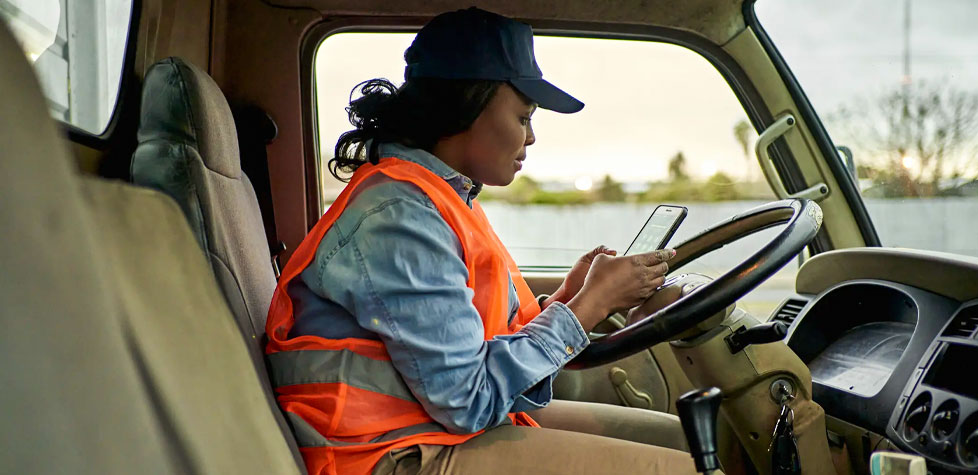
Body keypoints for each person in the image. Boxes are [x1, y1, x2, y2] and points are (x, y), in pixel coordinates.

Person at [264, 7, 699, 475]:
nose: (531, 137)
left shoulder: (442, 198)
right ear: (468, 106)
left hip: (429, 427)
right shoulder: (400, 217)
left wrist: (571, 298)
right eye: (523, 117)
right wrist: (590, 306)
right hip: (385, 455)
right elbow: (469, 399)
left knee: (680, 439)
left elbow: (474, 348)